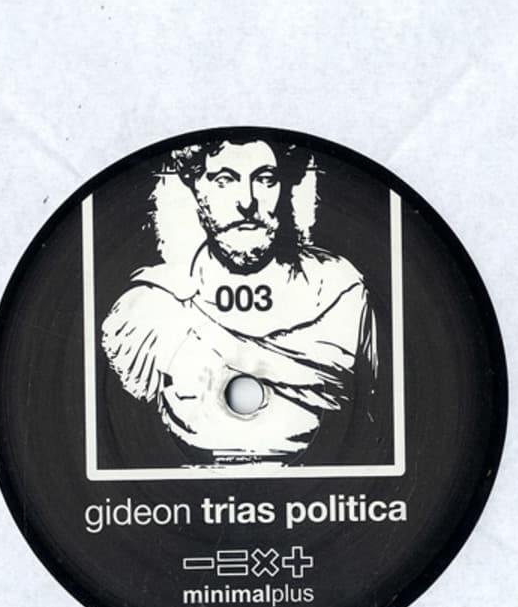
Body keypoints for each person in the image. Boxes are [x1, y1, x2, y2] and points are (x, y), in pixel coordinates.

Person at [100, 135, 378, 463]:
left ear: (285, 184)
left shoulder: (343, 292)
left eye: (265, 179)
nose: (247, 201)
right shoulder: (150, 306)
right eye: (224, 180)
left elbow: (379, 426)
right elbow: (122, 445)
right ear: (195, 186)